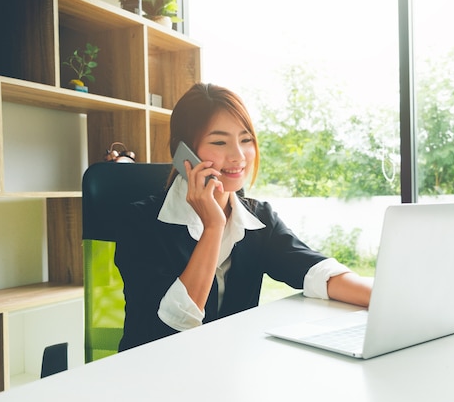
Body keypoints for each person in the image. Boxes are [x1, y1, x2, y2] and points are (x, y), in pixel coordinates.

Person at [114, 83, 372, 352]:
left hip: (227, 370)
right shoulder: (140, 222)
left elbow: (317, 272)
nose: (239, 156)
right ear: (184, 154)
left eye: (246, 140)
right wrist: (213, 227)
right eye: (219, 142)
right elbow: (172, 325)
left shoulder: (257, 218)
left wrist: (388, 300)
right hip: (152, 372)